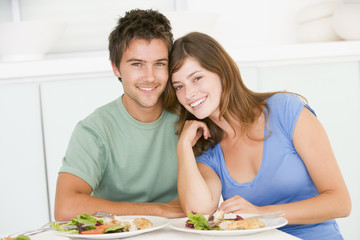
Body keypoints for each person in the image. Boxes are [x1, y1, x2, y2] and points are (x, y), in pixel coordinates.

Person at [166, 32, 351, 239]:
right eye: (179, 87)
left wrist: (262, 214)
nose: (189, 94)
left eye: (197, 78)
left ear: (223, 72)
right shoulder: (208, 148)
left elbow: (340, 203)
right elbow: (198, 212)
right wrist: (183, 146)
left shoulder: (286, 111)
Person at [54, 9, 185, 221]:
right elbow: (65, 207)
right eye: (137, 64)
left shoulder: (188, 116)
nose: (150, 77)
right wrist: (157, 211)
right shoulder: (94, 130)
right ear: (116, 68)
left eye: (159, 64)